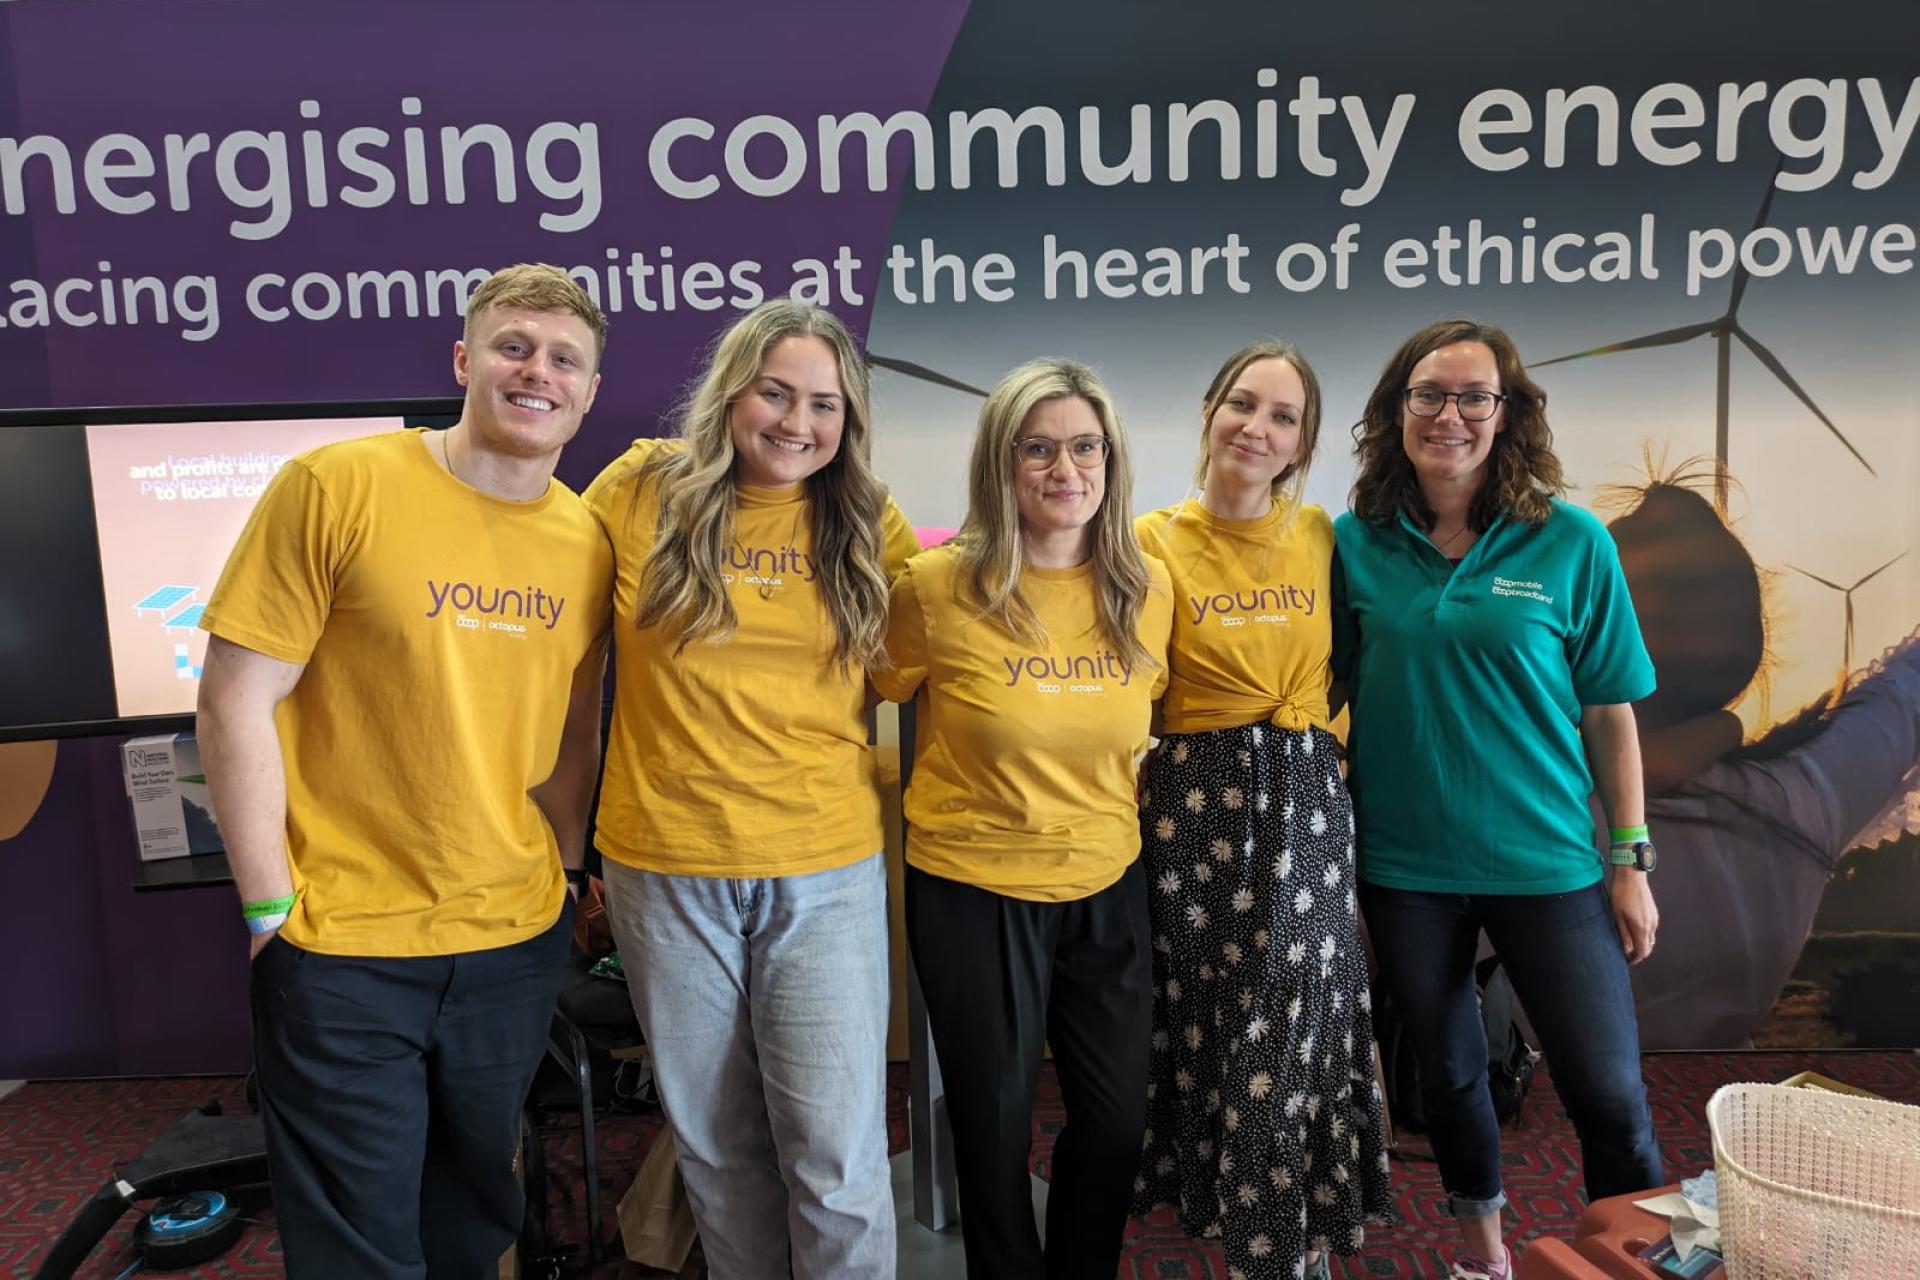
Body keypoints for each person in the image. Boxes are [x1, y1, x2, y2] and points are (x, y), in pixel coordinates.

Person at [196, 262, 614, 1278]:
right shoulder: (337, 486)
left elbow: (573, 729)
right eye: (514, 347)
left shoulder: (587, 541)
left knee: (472, 1215)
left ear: (590, 390)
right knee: (356, 1240)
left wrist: (564, 874)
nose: (538, 372)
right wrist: (268, 910)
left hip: (511, 938)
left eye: (565, 359)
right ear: (464, 360)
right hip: (342, 943)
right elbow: (233, 699)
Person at [585, 300, 917, 1280]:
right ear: (731, 392)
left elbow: (946, 648)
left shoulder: (869, 521)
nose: (796, 421)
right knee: (718, 1149)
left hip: (824, 870)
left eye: (824, 403)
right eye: (775, 392)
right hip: (663, 865)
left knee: (835, 1155)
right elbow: (547, 639)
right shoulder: (640, 489)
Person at [1332, 319, 1663, 1280]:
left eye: (1475, 396)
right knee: (1448, 1079)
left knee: (1609, 1093)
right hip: (1405, 870)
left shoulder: (1571, 541)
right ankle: (1484, 1259)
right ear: (1396, 412)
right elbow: (1312, 693)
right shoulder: (1352, 544)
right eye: (1429, 395)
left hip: (1546, 863)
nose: (1451, 415)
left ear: (1508, 413)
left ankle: (1639, 1259)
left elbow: (1609, 713)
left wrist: (1631, 859)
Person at [875, 357, 1173, 1280]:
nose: (1064, 469)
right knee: (994, 1123)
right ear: (1000, 463)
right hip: (973, 886)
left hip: (1106, 879)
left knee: (1118, 1119)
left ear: (1111, 460)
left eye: (1085, 447)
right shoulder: (934, 587)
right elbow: (855, 689)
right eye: (1036, 449)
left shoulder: (1147, 588)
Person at [1130, 341, 1392, 1280]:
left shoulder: (1320, 533)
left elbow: (1360, 655)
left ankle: (1279, 1249)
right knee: (1214, 1021)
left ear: (1302, 445)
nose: (1257, 428)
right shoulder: (1147, 539)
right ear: (1209, 410)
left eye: (1284, 417)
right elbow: (1127, 679)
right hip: (1196, 812)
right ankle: (1255, 1229)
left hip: (1309, 804)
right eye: (1243, 404)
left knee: (1294, 1021)